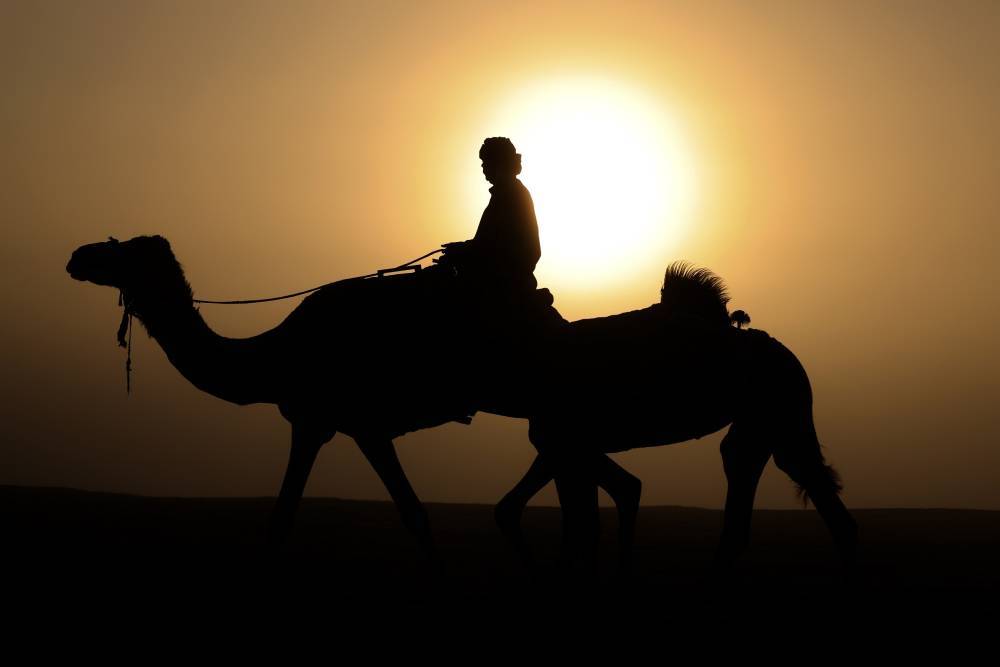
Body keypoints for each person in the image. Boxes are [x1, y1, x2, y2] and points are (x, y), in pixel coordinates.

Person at [439, 137, 541, 297]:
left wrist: (463, 252)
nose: (483, 168)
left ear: (498, 164)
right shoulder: (505, 193)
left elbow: (501, 248)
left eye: (486, 163)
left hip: (507, 283)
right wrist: (463, 248)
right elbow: (488, 242)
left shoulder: (511, 195)